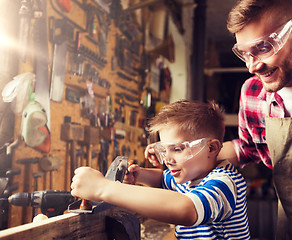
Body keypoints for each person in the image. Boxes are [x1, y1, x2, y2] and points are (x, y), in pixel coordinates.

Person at [145, 0, 292, 239]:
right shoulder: (253, 93)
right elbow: (246, 149)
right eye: (244, 53)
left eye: (264, 47)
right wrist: (179, 151)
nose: (252, 66)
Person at [71, 100, 250, 240]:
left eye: (178, 149)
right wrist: (140, 175)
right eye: (164, 150)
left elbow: (187, 209)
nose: (167, 160)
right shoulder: (191, 175)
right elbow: (162, 179)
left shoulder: (225, 183)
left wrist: (103, 188)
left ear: (211, 148)